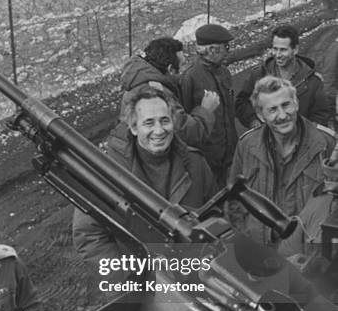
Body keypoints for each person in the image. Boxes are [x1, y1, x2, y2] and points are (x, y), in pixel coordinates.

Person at [73, 87, 217, 271]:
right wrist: (127, 284)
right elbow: (89, 235)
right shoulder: (108, 172)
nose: (159, 130)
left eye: (165, 121)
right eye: (149, 123)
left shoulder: (196, 163)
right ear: (133, 127)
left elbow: (215, 215)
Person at [229, 76, 336, 245]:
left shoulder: (326, 144)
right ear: (261, 115)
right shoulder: (247, 145)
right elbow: (234, 200)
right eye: (272, 110)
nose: (282, 115)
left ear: (296, 104)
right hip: (260, 252)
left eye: (286, 105)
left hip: (305, 256)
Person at [119, 37, 220, 148]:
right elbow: (188, 135)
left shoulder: (140, 79)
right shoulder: (153, 93)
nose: (183, 72)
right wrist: (205, 110)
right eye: (181, 66)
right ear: (170, 69)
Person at [235, 24, 333, 129]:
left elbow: (320, 115)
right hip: (266, 140)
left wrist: (304, 135)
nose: (277, 55)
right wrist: (254, 122)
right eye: (275, 49)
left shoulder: (312, 81)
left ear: (295, 50)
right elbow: (241, 102)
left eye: (283, 50)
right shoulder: (259, 75)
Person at [180, 24, 238, 187]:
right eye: (225, 47)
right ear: (212, 50)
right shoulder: (190, 77)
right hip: (206, 161)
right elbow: (185, 122)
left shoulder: (224, 72)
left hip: (228, 156)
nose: (228, 51)